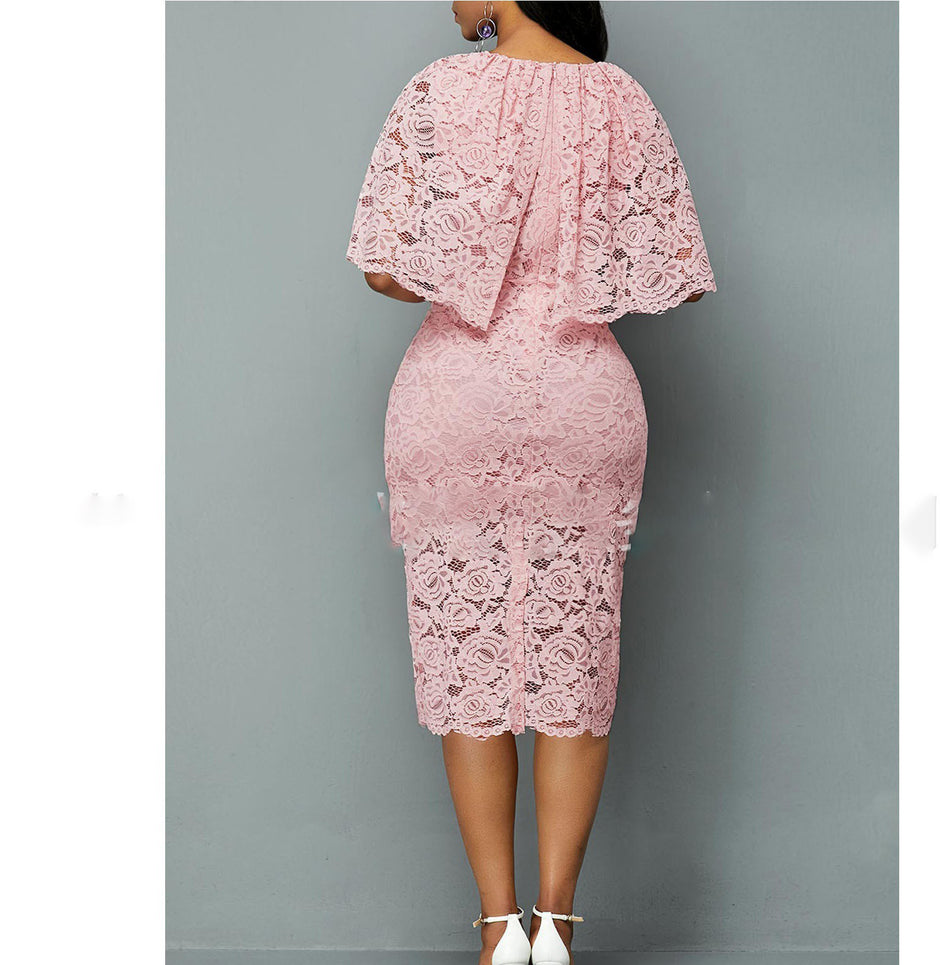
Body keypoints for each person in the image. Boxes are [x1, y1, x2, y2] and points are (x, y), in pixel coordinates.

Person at [346, 3, 716, 963]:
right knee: (575, 667)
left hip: (455, 397)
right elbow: (668, 272)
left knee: (466, 662)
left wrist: (471, 259)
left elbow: (387, 270)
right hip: (584, 396)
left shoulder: (439, 90)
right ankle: (556, 928)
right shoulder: (624, 100)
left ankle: (496, 930)